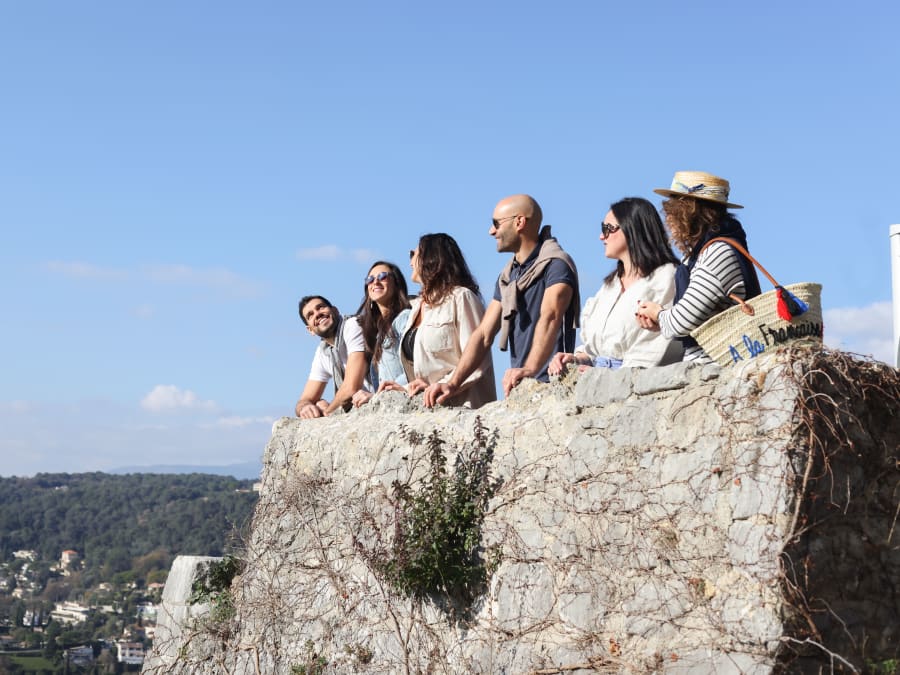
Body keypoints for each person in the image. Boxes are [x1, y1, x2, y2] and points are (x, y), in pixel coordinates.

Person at [424, 194, 579, 406]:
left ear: (519, 222)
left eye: (496, 223)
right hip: (522, 389)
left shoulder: (556, 265)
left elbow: (551, 316)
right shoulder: (508, 276)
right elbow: (483, 334)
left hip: (554, 388)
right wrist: (453, 383)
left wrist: (531, 369)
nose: (491, 231)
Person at [635, 171, 762, 362]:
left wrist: (658, 314)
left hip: (720, 365)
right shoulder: (705, 252)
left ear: (686, 212)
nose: (667, 220)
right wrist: (662, 321)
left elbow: (681, 322)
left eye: (671, 210)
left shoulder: (717, 253)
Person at [548, 197, 682, 375]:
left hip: (638, 388)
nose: (601, 236)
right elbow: (597, 350)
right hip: (599, 385)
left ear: (632, 229)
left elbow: (655, 348)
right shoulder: (610, 286)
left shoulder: (666, 277)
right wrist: (575, 358)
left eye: (608, 229)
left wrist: (607, 375)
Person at [379, 233, 496, 408]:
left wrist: (449, 384)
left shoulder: (461, 297)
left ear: (431, 258)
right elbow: (428, 372)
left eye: (414, 253)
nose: (410, 259)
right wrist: (405, 389)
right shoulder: (417, 308)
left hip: (467, 410)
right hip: (430, 412)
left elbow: (479, 354)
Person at [294, 295, 373, 418]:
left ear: (335, 311)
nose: (317, 314)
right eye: (310, 315)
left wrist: (328, 411)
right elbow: (305, 399)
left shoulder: (352, 325)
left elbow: (351, 387)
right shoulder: (323, 351)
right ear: (310, 330)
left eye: (320, 308)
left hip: (387, 396)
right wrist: (307, 407)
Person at [350, 262, 412, 408]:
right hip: (389, 404)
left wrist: (380, 395)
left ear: (396, 283)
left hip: (404, 399)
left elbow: (415, 365)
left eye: (383, 276)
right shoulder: (375, 330)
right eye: (370, 279)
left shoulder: (405, 317)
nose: (375, 282)